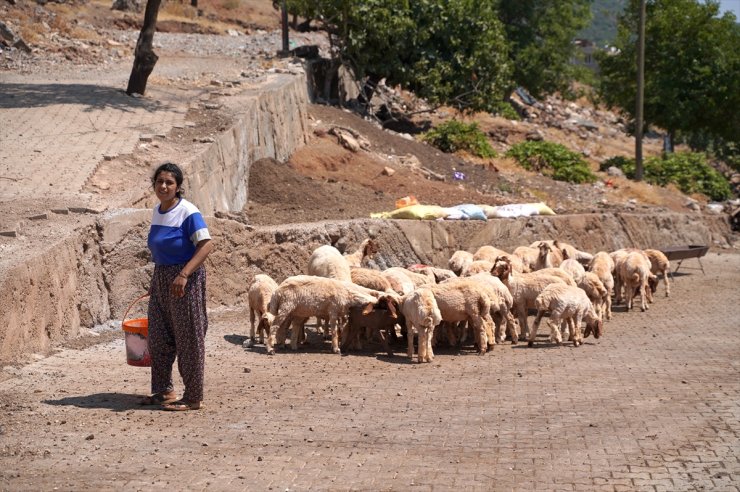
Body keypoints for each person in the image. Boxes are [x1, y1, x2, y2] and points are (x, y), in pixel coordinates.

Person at [140, 162, 214, 411]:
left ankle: (193, 397)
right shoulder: (158, 210)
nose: (163, 186)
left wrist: (184, 274)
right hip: (162, 278)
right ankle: (164, 391)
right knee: (159, 337)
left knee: (188, 338)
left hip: (185, 280)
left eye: (169, 182)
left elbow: (206, 245)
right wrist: (158, 282)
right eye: (160, 181)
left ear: (178, 187)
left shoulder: (188, 212)